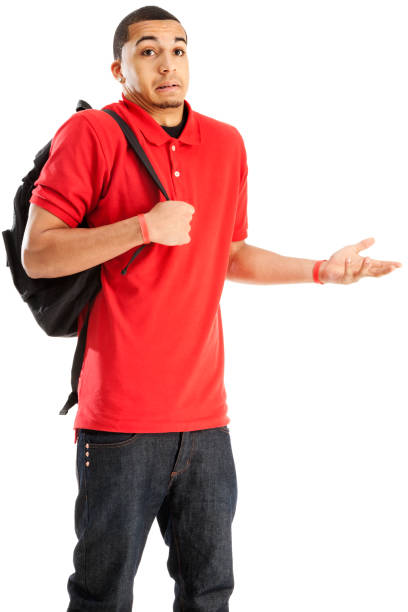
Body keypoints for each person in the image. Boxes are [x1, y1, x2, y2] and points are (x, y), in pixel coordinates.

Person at [21, 5, 402, 612]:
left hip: (205, 420)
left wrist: (321, 271)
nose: (167, 62)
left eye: (178, 47)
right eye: (147, 50)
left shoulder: (225, 143)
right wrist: (143, 226)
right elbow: (38, 253)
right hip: (118, 420)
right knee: (102, 597)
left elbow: (229, 255)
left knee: (209, 594)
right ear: (117, 69)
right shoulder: (90, 136)